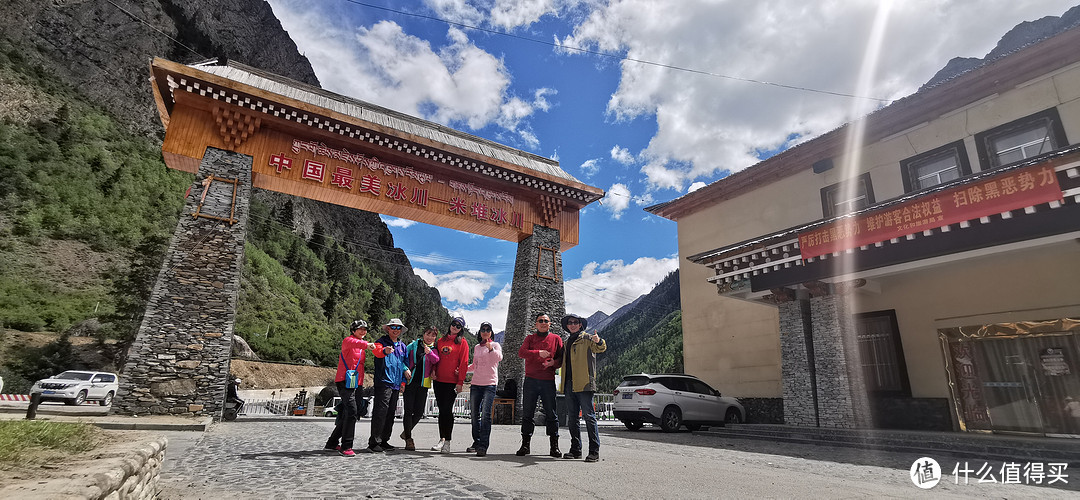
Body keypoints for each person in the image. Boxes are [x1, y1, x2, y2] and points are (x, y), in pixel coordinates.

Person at [558, 314, 606, 463]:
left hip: (585, 383)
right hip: (569, 384)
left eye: (575, 322)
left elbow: (601, 348)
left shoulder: (587, 339)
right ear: (567, 326)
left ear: (580, 325)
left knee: (589, 417)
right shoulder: (566, 343)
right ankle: (575, 450)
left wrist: (599, 341)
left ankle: (594, 451)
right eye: (570, 323)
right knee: (572, 418)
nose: (572, 324)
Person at [516, 312, 564, 458]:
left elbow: (561, 360)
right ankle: (525, 445)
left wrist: (553, 363)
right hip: (530, 380)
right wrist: (538, 353)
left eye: (546, 321)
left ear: (550, 324)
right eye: (540, 320)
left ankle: (554, 447)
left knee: (552, 414)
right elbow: (521, 353)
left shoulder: (556, 339)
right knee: (527, 414)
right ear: (535, 324)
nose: (543, 323)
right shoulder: (530, 338)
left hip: (548, 381)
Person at [325, 320, 373, 457]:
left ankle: (332, 442)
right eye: (360, 329)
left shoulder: (361, 345)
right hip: (344, 380)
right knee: (351, 410)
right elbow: (356, 343)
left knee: (353, 412)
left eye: (365, 329)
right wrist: (367, 345)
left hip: (356, 382)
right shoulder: (348, 341)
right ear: (353, 330)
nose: (363, 331)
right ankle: (346, 446)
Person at [369, 318, 411, 452]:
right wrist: (384, 351)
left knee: (390, 413)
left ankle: (384, 440)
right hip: (383, 382)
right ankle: (374, 442)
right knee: (380, 412)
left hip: (396, 383)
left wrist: (403, 380)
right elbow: (376, 351)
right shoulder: (381, 342)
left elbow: (404, 363)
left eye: (398, 328)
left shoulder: (402, 346)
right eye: (393, 327)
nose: (396, 330)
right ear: (388, 329)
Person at [431, 316, 470, 454]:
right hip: (438, 381)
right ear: (450, 324)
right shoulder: (441, 341)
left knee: (447, 410)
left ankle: (447, 441)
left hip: (452, 382)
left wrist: (460, 382)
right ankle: (441, 439)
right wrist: (433, 371)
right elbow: (435, 358)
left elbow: (464, 363)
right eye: (454, 324)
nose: (455, 327)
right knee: (441, 411)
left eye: (458, 326)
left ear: (461, 329)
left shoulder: (463, 343)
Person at [400, 325, 440, 451]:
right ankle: (409, 439)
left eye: (433, 335)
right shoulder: (413, 345)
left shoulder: (434, 348)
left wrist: (430, 353)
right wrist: (405, 369)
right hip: (410, 382)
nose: (430, 337)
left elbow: (436, 360)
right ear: (423, 334)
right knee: (408, 410)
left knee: (418, 412)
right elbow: (401, 358)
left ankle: (406, 431)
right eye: (428, 334)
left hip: (423, 384)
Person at [466, 322, 502, 457]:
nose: (485, 332)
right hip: (476, 384)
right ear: (480, 332)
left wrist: (491, 349)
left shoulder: (495, 345)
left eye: (488, 330)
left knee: (486, 415)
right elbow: (475, 365)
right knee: (474, 415)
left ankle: (483, 445)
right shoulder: (476, 347)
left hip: (490, 384)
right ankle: (476, 441)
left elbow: (499, 358)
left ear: (491, 332)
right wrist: (462, 369)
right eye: (483, 329)